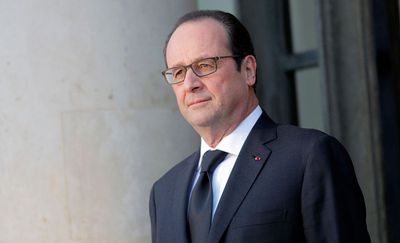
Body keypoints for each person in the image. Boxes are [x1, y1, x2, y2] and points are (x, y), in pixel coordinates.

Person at [149, 10, 371, 243]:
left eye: (204, 65)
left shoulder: (309, 157)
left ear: (248, 70)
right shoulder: (164, 192)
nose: (190, 83)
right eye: (178, 72)